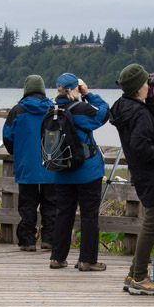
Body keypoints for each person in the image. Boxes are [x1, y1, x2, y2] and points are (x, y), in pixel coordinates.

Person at [109, 64, 154, 295]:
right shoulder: (137, 113)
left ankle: (134, 273)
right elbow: (141, 146)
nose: (148, 85)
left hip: (144, 175)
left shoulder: (127, 108)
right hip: (153, 175)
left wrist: (152, 98)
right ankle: (139, 277)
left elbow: (153, 126)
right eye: (146, 83)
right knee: (152, 223)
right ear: (139, 86)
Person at [48, 72, 110, 271]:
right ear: (76, 88)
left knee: (63, 213)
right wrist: (89, 93)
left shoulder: (51, 109)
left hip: (61, 168)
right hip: (87, 170)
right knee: (89, 214)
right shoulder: (81, 109)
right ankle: (87, 260)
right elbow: (104, 113)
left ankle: (57, 258)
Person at [3, 75, 57, 251]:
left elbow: (7, 136)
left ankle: (27, 240)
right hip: (51, 165)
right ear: (42, 89)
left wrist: (17, 152)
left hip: (26, 165)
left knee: (27, 205)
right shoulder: (53, 109)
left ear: (26, 89)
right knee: (51, 204)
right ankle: (49, 238)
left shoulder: (17, 110)